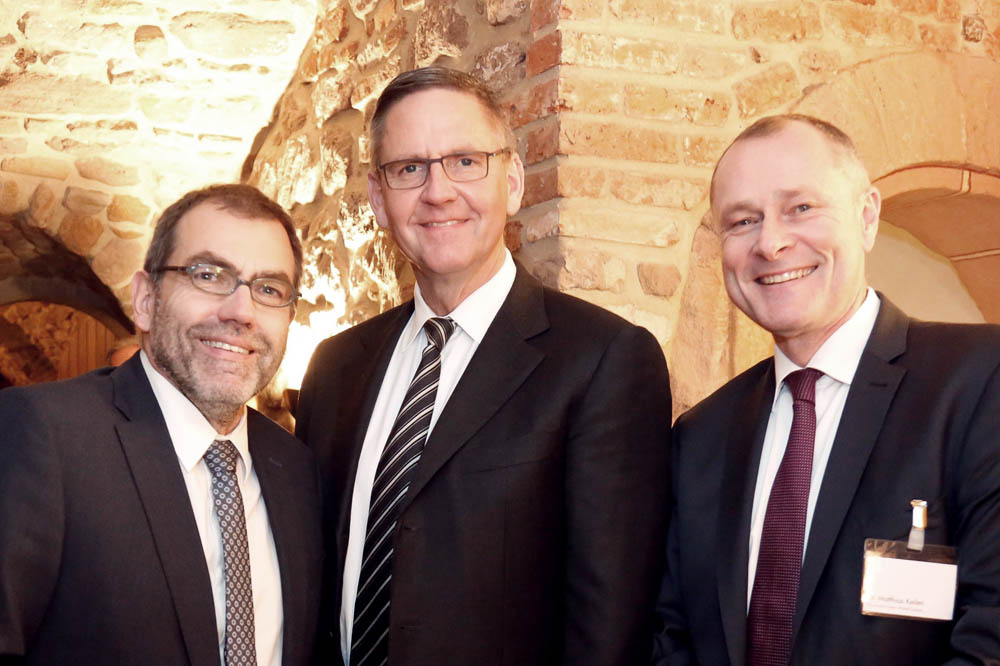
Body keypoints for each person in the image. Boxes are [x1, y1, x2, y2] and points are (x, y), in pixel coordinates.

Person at [295, 66, 671, 666]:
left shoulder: (603, 360)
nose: (438, 191)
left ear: (513, 182)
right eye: (409, 168)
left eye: (466, 161)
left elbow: (610, 626)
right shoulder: (334, 368)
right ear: (379, 200)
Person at [652, 115, 1000, 665]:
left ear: (867, 217)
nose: (770, 243)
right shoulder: (701, 436)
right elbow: (673, 638)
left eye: (801, 208)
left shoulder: (979, 381)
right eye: (743, 221)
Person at [0, 184, 324, 665]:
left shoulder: (295, 468)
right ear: (146, 300)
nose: (241, 312)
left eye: (269, 289)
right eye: (209, 275)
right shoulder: (43, 436)